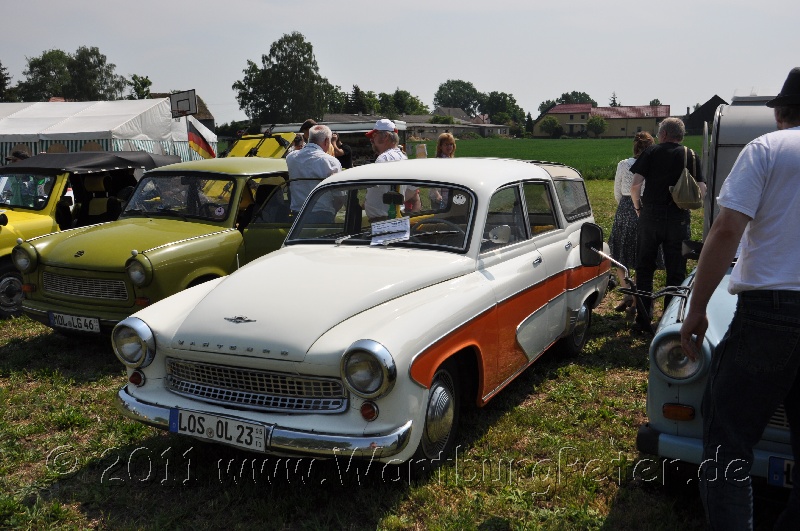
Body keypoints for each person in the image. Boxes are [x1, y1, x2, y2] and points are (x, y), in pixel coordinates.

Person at [680, 67, 800, 531]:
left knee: (727, 437)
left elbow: (727, 228)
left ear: (781, 112)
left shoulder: (768, 149)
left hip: (772, 310)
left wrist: (696, 308)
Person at [630, 117, 707, 324]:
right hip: (678, 219)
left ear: (663, 134)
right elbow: (702, 189)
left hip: (650, 216)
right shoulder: (690, 154)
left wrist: (638, 208)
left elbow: (635, 186)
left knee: (645, 268)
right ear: (680, 135)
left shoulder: (651, 152)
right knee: (676, 271)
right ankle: (670, 321)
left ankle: (643, 319)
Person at [608, 132, 654, 312]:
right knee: (643, 253)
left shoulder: (623, 164)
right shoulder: (653, 165)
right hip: (645, 208)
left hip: (625, 208)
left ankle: (627, 292)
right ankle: (635, 296)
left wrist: (625, 206)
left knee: (620, 252)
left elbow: (617, 192)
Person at [285, 124, 342, 223]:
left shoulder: (291, 158)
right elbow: (339, 196)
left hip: (298, 215)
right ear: (326, 141)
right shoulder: (331, 162)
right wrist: (333, 210)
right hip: (322, 215)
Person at [363, 119, 417, 220]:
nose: (371, 140)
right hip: (395, 215)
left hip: (382, 219)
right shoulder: (403, 157)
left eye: (374, 136)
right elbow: (413, 189)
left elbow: (372, 183)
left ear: (386, 136)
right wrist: (398, 201)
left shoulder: (384, 158)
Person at [429, 133, 457, 209]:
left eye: (451, 144)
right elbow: (432, 180)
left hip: (450, 197)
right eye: (446, 144)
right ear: (440, 146)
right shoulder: (438, 161)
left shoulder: (451, 160)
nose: (449, 147)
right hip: (439, 198)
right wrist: (437, 194)